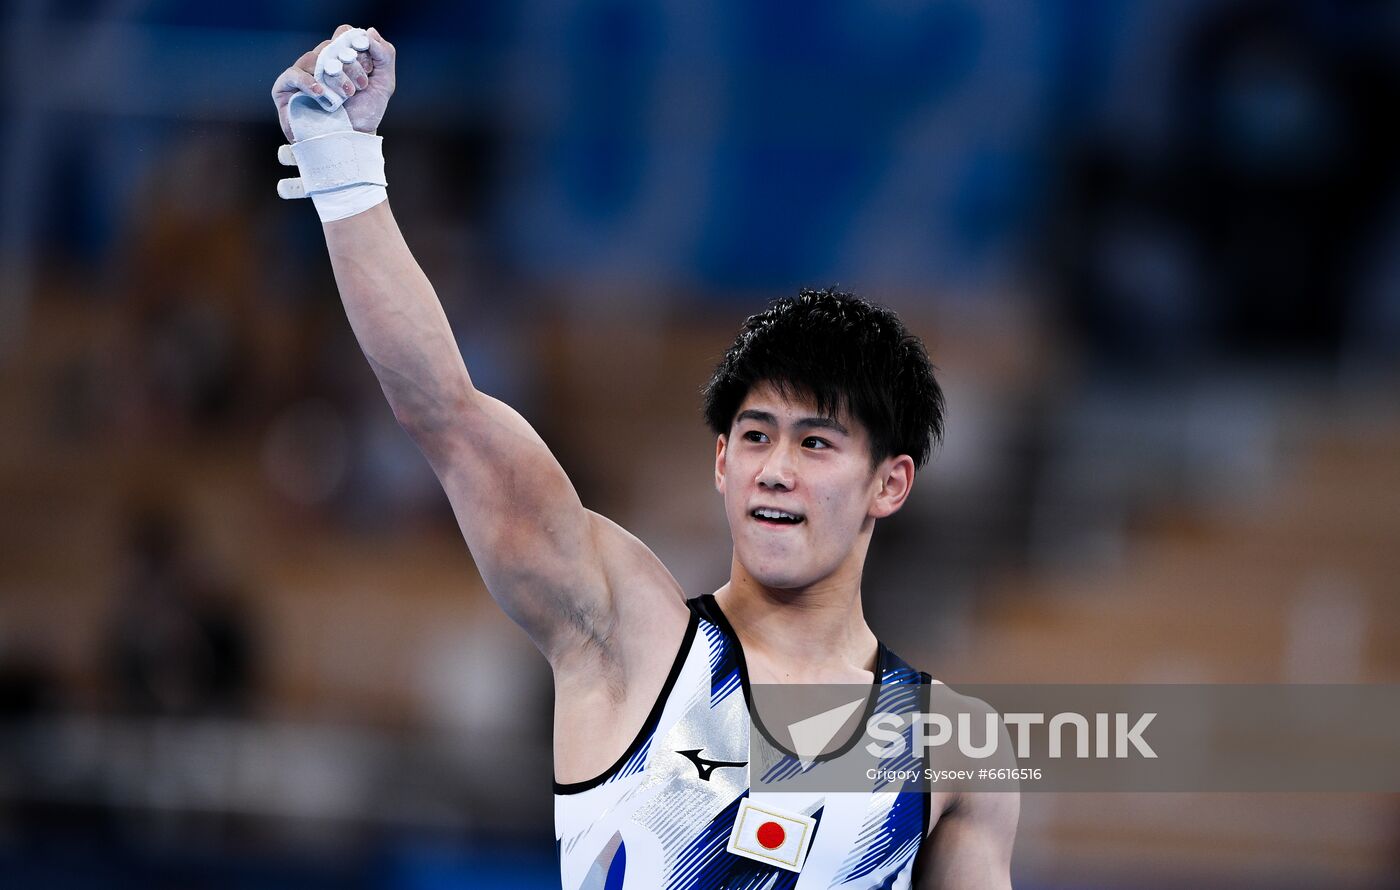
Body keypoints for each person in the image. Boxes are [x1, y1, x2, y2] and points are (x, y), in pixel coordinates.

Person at [272, 25, 1017, 888]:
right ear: (721, 465)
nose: (775, 468)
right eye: (754, 436)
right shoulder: (628, 634)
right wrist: (340, 164)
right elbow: (446, 413)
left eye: (815, 443)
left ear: (890, 482)